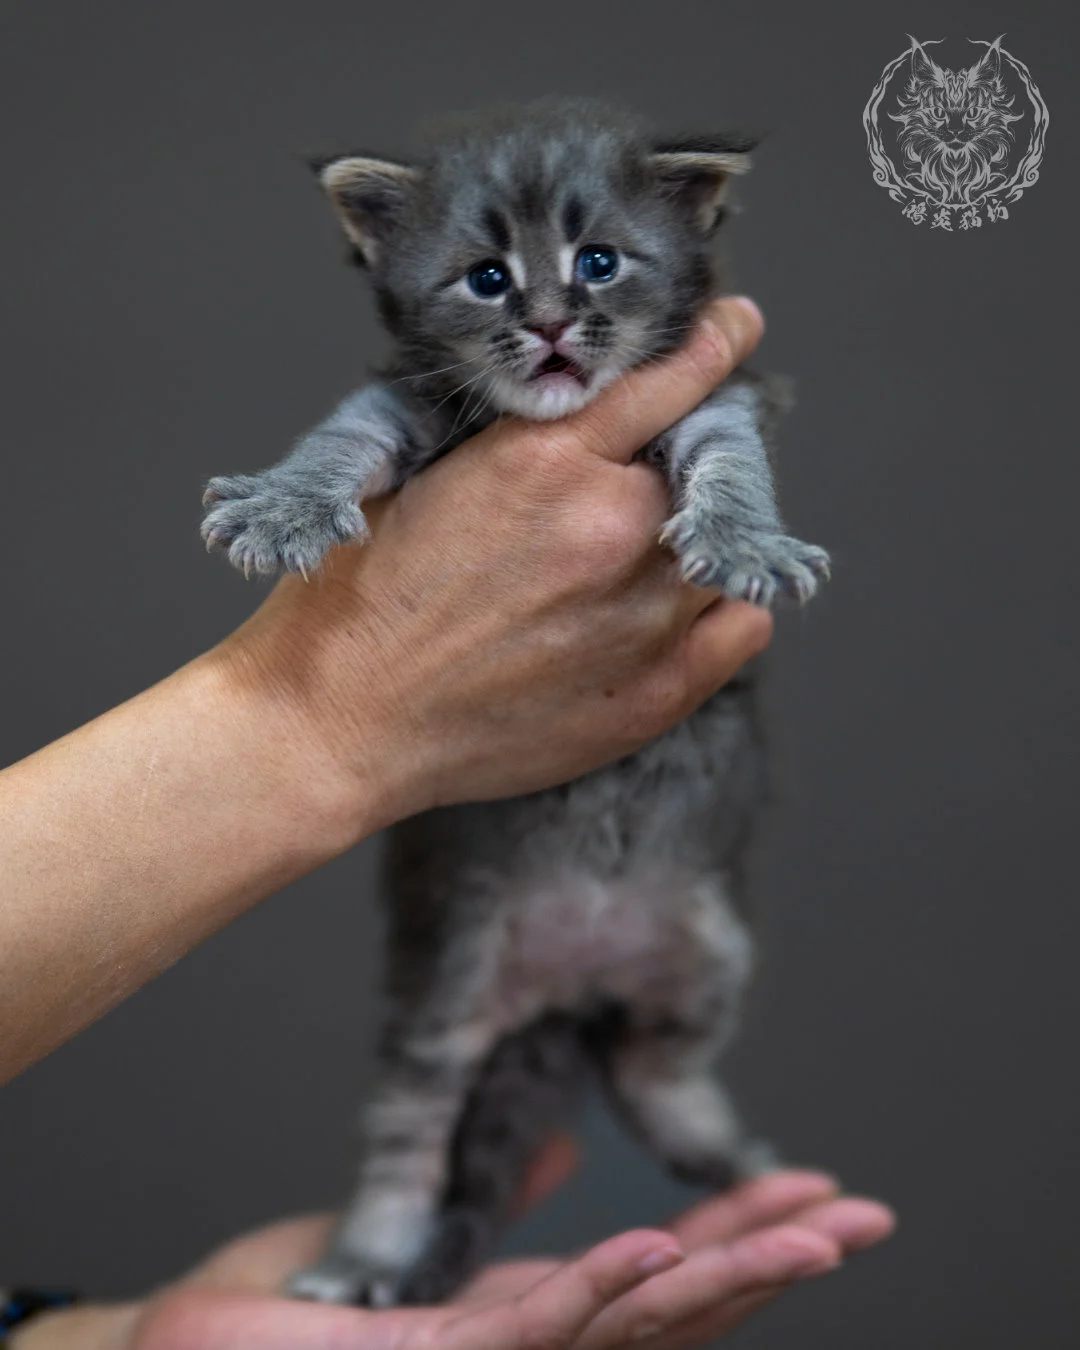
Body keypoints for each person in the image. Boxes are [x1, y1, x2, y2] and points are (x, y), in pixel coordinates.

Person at [2, 298, 895, 1348]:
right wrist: (325, 707)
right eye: (490, 278)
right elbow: (380, 423)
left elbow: (719, 429)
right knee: (441, 1050)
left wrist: (97, 1341)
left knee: (663, 989)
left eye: (595, 268)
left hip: (655, 869)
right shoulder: (442, 387)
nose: (550, 312)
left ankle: (654, 1074)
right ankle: (405, 1215)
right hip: (510, 883)